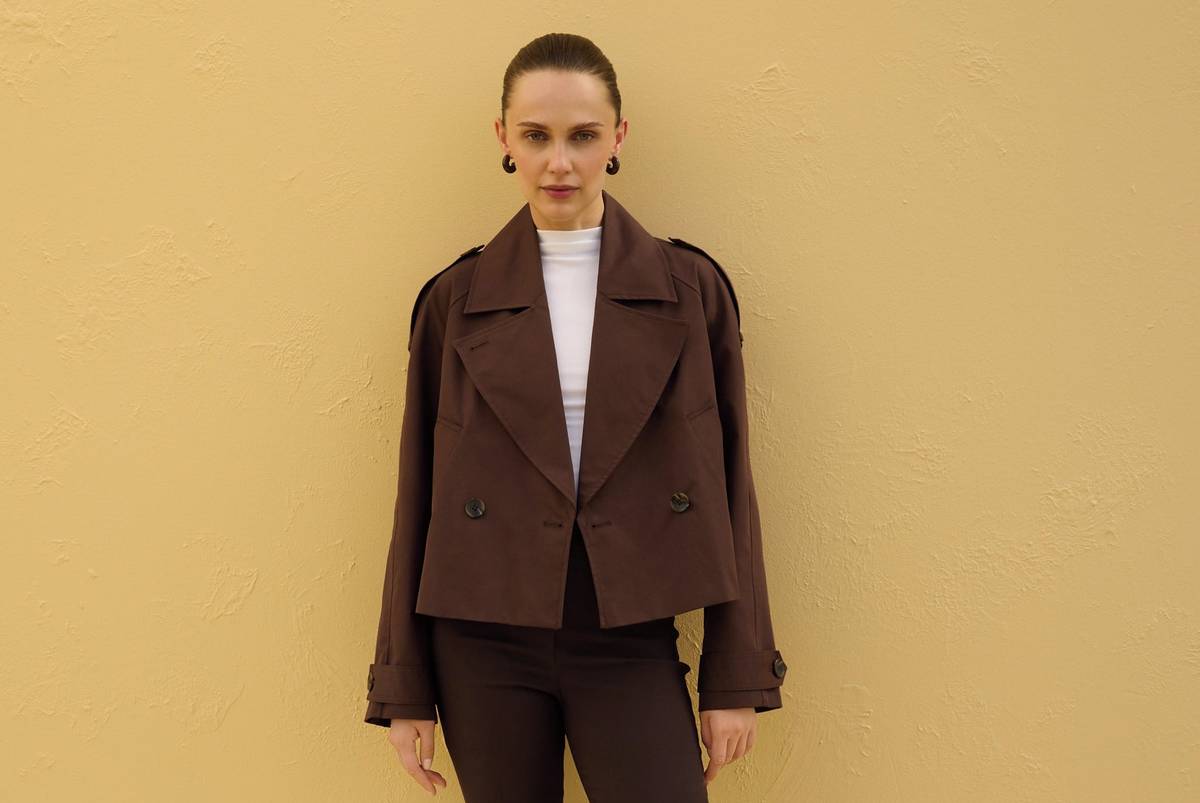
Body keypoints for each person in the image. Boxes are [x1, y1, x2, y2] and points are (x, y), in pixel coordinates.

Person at [364, 32, 787, 802]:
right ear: (504, 139)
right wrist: (403, 687)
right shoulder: (455, 300)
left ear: (618, 138)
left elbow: (732, 487)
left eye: (582, 136)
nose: (559, 162)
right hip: (481, 640)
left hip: (628, 633)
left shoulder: (689, 291)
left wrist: (734, 675)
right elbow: (417, 497)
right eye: (537, 136)